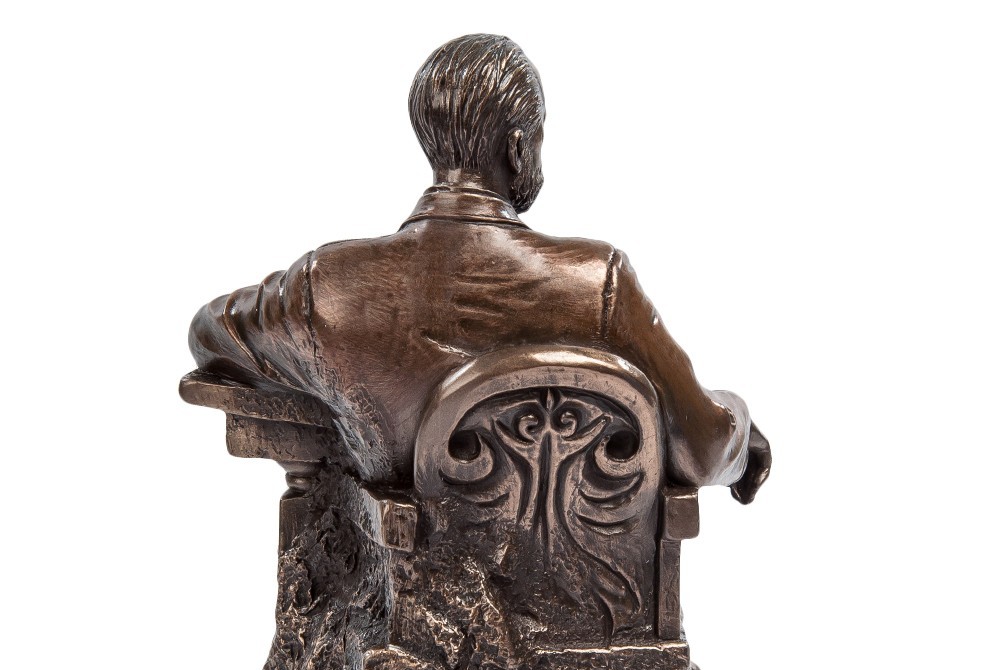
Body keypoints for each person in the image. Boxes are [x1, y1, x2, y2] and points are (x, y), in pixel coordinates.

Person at [188, 33, 770, 501]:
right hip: (600, 600)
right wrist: (739, 420)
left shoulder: (330, 286)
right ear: (517, 148)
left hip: (404, 584)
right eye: (537, 142)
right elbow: (705, 449)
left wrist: (319, 372)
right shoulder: (598, 282)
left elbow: (208, 333)